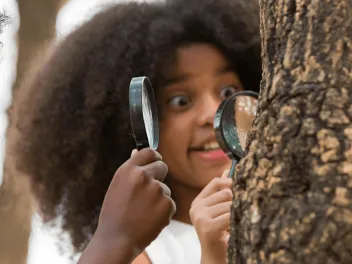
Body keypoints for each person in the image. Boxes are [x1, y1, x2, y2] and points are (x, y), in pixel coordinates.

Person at [11, 0, 261, 263]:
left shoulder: (286, 211)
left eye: (228, 92)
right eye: (180, 101)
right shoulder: (145, 254)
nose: (212, 113)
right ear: (134, 124)